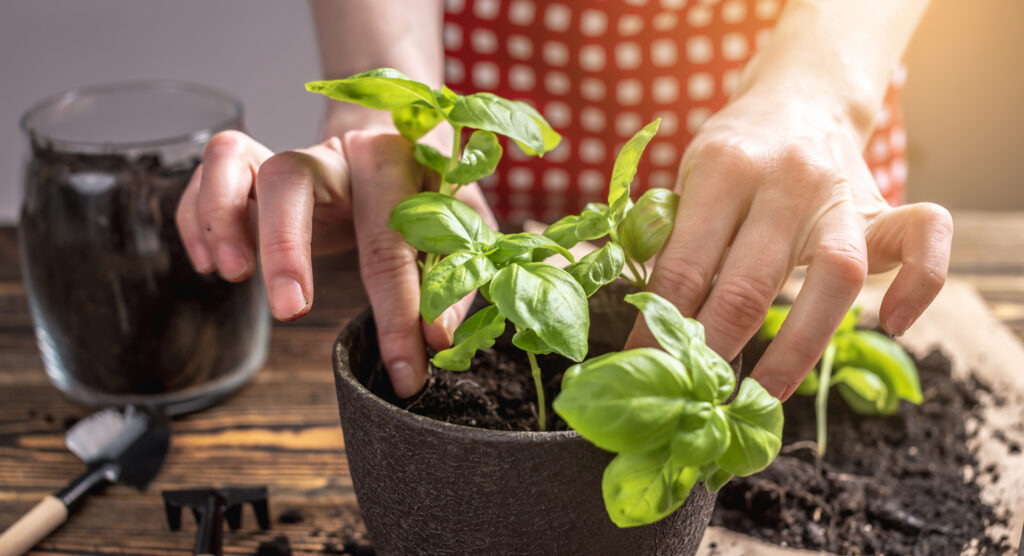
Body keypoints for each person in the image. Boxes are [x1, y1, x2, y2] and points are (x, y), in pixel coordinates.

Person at [175, 0, 952, 400]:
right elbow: (396, 101)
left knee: (777, 307)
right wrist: (389, 100)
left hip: (795, 97)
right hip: (495, 82)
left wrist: (821, 93)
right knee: (486, 316)